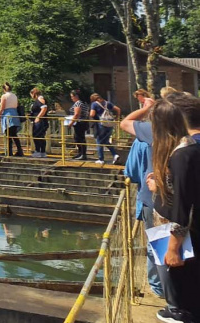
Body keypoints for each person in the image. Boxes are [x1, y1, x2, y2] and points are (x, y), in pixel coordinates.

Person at [145, 96, 200, 321]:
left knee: (184, 290)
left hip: (177, 234)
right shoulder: (188, 149)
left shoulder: (182, 155)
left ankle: (182, 312)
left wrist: (173, 248)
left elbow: (183, 206)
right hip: (176, 230)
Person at [120, 100, 165, 302]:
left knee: (157, 243)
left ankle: (160, 286)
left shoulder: (146, 136)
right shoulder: (187, 138)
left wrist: (145, 108)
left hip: (151, 196)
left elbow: (131, 171)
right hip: (164, 196)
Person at [89, 93, 121, 166]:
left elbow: (92, 114)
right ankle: (115, 155)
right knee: (106, 141)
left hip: (101, 124)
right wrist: (117, 118)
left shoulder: (94, 104)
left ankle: (101, 159)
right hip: (110, 124)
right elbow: (118, 109)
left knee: (99, 141)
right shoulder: (108, 103)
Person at [0, 82, 23, 157]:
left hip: (8, 115)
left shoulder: (4, 96)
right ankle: (19, 150)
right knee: (13, 134)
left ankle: (10, 151)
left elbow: (2, 107)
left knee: (8, 134)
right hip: (15, 114)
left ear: (4, 89)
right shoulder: (14, 96)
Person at [69, 90, 90, 161]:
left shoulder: (78, 103)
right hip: (83, 122)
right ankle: (80, 153)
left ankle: (83, 154)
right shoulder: (84, 103)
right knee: (78, 138)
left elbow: (76, 114)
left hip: (79, 123)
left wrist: (71, 123)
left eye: (72, 96)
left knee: (79, 138)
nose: (71, 98)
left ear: (76, 96)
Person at [29, 88, 49, 159]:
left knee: (37, 136)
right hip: (41, 121)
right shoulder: (38, 100)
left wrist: (38, 117)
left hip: (40, 122)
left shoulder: (40, 98)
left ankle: (38, 151)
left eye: (31, 94)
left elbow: (44, 108)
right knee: (40, 136)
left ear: (34, 93)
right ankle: (42, 152)